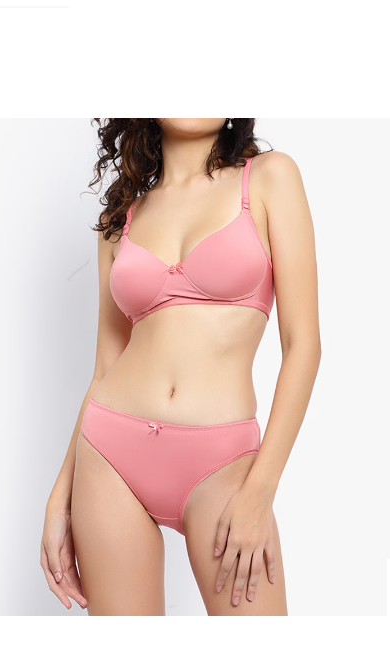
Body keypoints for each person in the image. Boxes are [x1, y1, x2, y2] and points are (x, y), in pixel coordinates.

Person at [41, 118, 321, 616]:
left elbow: (303, 346)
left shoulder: (269, 179)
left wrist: (260, 490)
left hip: (222, 463)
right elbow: (105, 366)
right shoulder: (121, 218)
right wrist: (60, 495)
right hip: (109, 457)